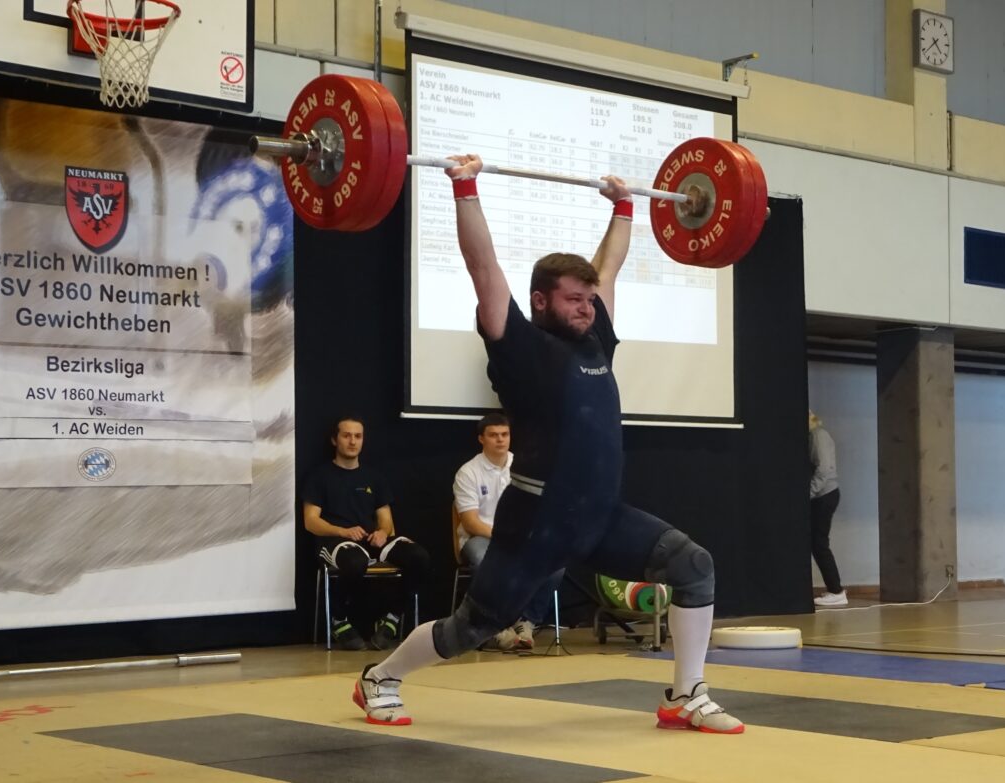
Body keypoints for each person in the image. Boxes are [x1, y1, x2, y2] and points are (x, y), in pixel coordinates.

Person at [352, 155, 744, 735]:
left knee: (693, 567)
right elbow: (481, 268)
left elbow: (608, 268)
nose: (587, 307)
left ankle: (686, 694)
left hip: (599, 517)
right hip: (536, 525)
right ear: (540, 301)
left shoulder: (597, 343)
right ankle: (378, 678)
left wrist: (623, 206)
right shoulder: (519, 349)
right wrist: (465, 188)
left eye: (589, 299)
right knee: (469, 629)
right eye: (573, 299)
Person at [303, 417, 431, 650]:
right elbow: (310, 521)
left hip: (372, 540)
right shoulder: (319, 476)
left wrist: (383, 532)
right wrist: (341, 530)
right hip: (335, 540)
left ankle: (392, 618)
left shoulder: (375, 477)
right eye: (347, 435)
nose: (353, 441)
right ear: (335, 440)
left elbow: (386, 519)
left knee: (419, 557)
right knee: (355, 562)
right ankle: (339, 619)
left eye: (358, 436)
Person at [454, 412, 563, 651]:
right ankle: (496, 625)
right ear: (481, 439)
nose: (500, 440)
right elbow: (471, 522)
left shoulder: (524, 466)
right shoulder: (468, 472)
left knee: (555, 561)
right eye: (493, 435)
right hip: (479, 537)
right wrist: (505, 537)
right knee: (487, 561)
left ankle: (527, 622)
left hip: (520, 537)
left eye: (505, 434)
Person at [809, 410, 846, 607]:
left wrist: (809, 493)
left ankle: (837, 590)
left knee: (819, 543)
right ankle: (835, 589)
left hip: (824, 495)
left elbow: (823, 469)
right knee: (816, 543)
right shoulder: (814, 435)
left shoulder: (817, 435)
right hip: (821, 495)